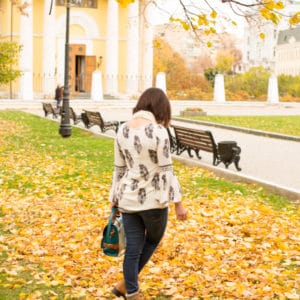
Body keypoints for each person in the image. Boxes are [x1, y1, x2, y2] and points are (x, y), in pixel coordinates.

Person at [109, 87, 187, 300]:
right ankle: (126, 285)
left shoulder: (122, 130)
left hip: (127, 199)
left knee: (133, 248)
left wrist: (114, 198)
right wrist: (178, 202)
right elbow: (166, 170)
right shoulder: (158, 131)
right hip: (153, 201)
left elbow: (119, 169)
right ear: (161, 108)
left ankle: (130, 291)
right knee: (153, 240)